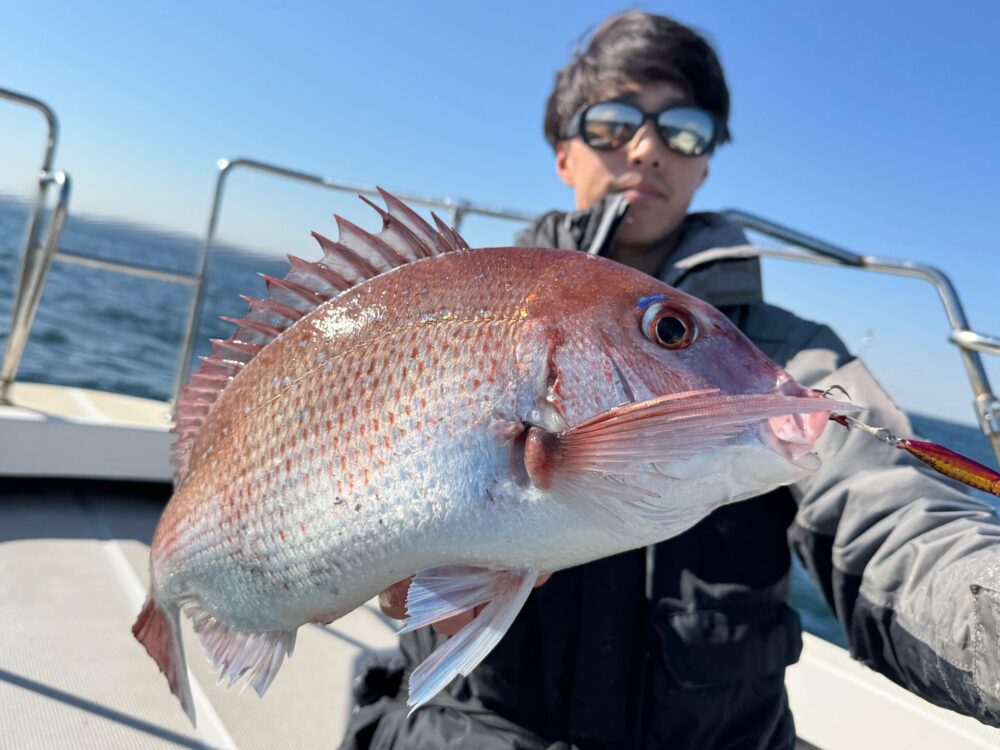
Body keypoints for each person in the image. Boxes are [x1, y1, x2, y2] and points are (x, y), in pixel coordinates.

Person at [341, 11, 1000, 749]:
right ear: (564, 155)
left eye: (684, 129)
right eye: (612, 123)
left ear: (705, 162)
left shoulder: (790, 357)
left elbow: (893, 519)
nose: (647, 148)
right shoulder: (451, 319)